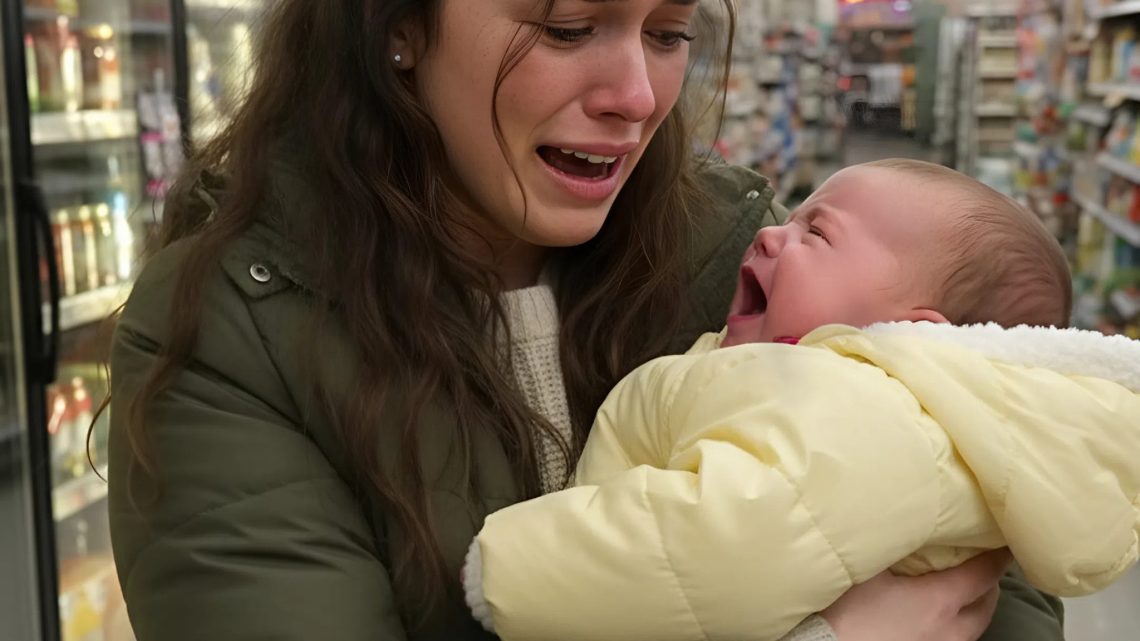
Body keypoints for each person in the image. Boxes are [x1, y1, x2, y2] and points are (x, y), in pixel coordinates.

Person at [105, 2, 1063, 640]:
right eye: (568, 27)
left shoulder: (733, 247)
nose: (637, 96)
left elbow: (991, 513)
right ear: (399, 27)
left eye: (669, 32)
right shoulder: (237, 331)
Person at [461, 159, 1140, 641]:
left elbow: (724, 542)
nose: (769, 234)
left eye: (816, 233)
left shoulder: (870, 419)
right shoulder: (840, 390)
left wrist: (515, 572)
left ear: (910, 330)